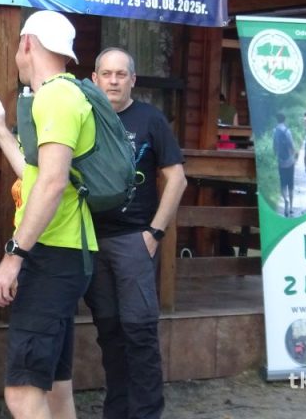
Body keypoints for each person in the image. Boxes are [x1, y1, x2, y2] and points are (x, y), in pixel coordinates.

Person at [0, 10, 97, 419]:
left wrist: (13, 257)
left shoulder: (55, 96)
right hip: (65, 252)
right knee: (55, 386)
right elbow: (38, 177)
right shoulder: (66, 94)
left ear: (27, 43)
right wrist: (3, 134)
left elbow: (51, 184)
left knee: (22, 393)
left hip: (51, 254)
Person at [84, 47, 187, 419]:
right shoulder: (84, 116)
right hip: (90, 240)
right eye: (106, 74)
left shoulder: (150, 119)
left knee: (139, 333)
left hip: (134, 240)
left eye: (121, 74)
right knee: (109, 333)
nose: (113, 81)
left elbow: (177, 178)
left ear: (132, 80)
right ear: (94, 79)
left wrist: (154, 233)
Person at [272, 112, 297, 216]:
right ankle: (291, 207)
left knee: (283, 183)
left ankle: (285, 200)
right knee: (290, 183)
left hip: (280, 161)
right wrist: (295, 154)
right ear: (284, 119)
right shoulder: (287, 131)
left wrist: (275, 155)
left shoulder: (274, 131)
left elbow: (274, 146)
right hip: (290, 161)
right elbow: (291, 145)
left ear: (277, 119)